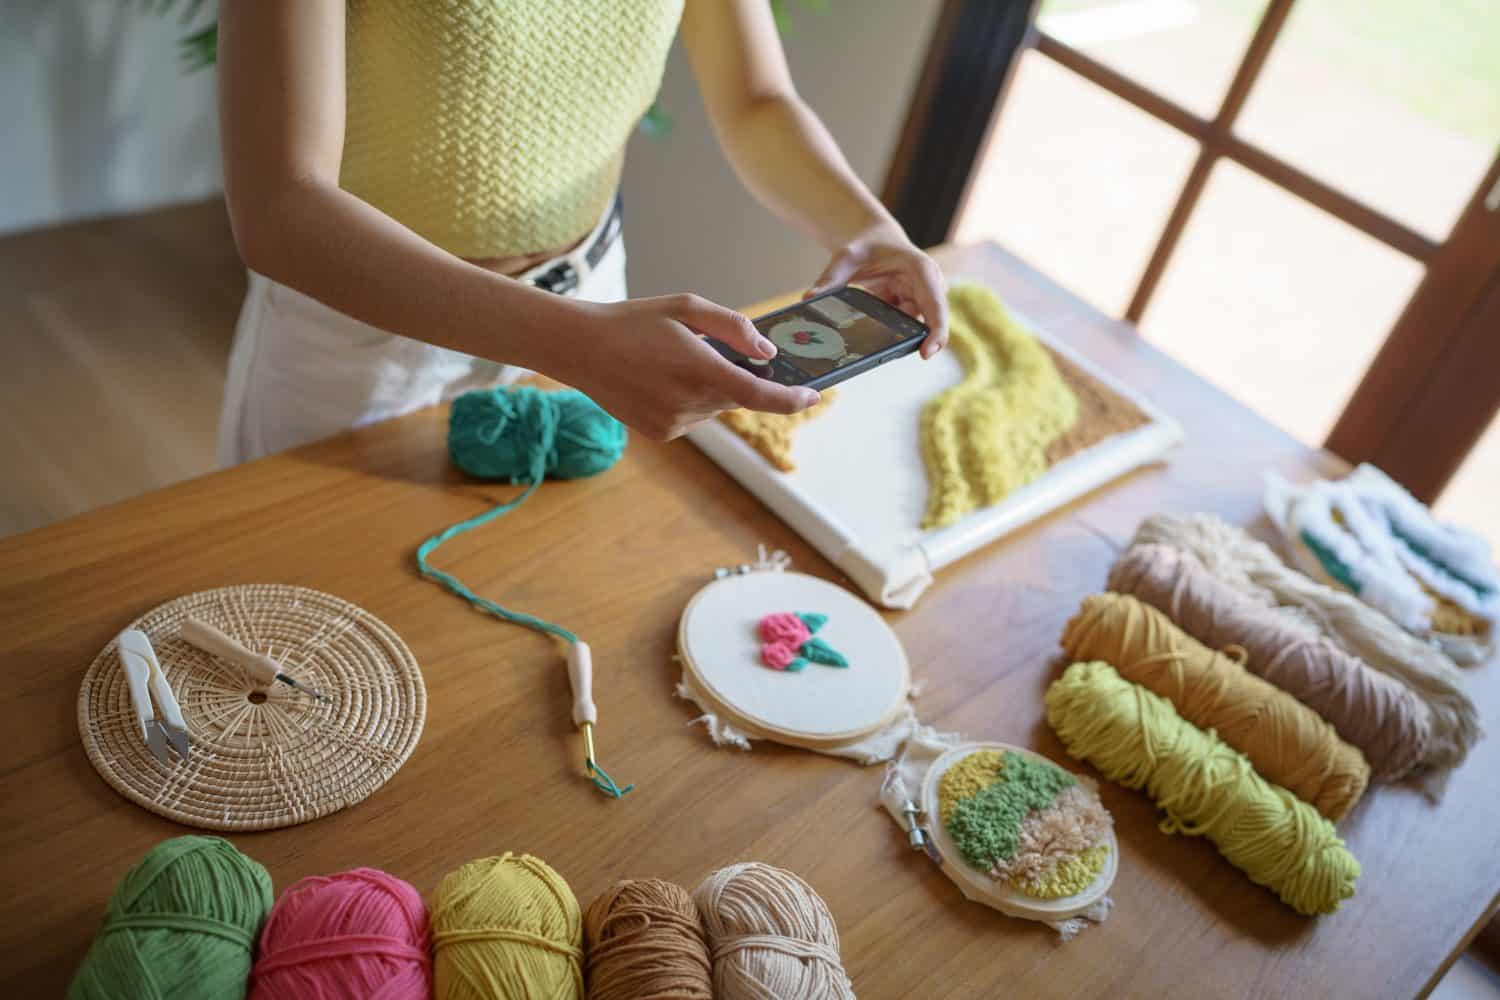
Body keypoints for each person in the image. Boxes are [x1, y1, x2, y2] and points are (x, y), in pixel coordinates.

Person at [215, 0, 949, 465]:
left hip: (597, 302)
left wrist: (869, 228)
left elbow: (756, 98)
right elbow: (282, 207)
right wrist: (578, 344)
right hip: (372, 336)